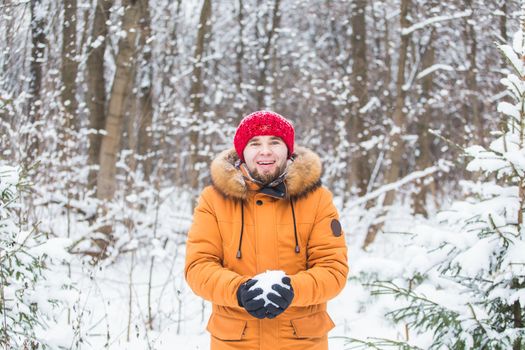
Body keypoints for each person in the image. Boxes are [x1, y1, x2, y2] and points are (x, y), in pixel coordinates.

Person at [184, 110, 348, 350]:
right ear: (242, 151)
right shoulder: (213, 200)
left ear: (288, 150)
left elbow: (333, 270)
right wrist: (238, 291)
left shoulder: (317, 199)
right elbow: (198, 267)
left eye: (275, 142)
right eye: (254, 143)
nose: (265, 151)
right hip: (236, 342)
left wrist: (293, 290)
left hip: (301, 342)